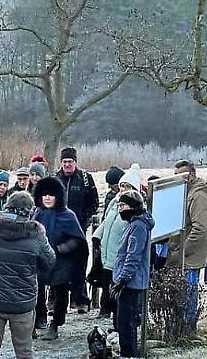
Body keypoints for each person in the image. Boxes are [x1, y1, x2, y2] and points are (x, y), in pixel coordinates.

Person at [0, 191, 56, 359]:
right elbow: (50, 260)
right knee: (24, 352)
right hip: (22, 304)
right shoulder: (35, 235)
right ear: (29, 211)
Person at [34, 176, 88, 340]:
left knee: (61, 294)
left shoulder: (68, 215)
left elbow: (78, 240)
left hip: (62, 262)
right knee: (37, 292)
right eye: (45, 195)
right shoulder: (37, 213)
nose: (48, 198)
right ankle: (36, 321)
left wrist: (61, 249)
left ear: (58, 196)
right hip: (40, 261)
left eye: (51, 195)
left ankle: (56, 324)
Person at [53, 147, 99, 313]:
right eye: (64, 162)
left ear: (75, 162)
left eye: (70, 162)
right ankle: (56, 302)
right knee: (57, 265)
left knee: (79, 266)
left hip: (78, 231)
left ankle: (80, 301)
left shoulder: (86, 179)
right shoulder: (55, 179)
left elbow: (94, 203)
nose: (67, 165)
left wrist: (82, 219)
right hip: (57, 231)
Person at [166, 160, 207, 324]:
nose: (178, 178)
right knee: (181, 294)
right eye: (175, 175)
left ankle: (187, 328)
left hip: (190, 257)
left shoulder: (198, 195)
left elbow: (200, 228)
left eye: (182, 175)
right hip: (182, 253)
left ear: (191, 175)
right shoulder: (186, 192)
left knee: (188, 294)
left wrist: (182, 251)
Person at [110, 189, 153, 357]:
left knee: (127, 322)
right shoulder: (134, 224)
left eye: (124, 205)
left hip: (131, 282)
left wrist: (122, 280)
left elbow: (133, 256)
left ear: (133, 206)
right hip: (128, 280)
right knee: (124, 320)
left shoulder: (138, 226)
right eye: (119, 205)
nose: (121, 209)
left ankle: (129, 354)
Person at [95, 165, 139, 320]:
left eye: (127, 186)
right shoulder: (114, 202)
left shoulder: (135, 207)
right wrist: (97, 235)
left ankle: (116, 315)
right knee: (106, 282)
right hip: (107, 249)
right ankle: (106, 309)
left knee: (117, 284)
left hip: (119, 251)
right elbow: (107, 221)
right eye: (122, 186)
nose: (123, 189)